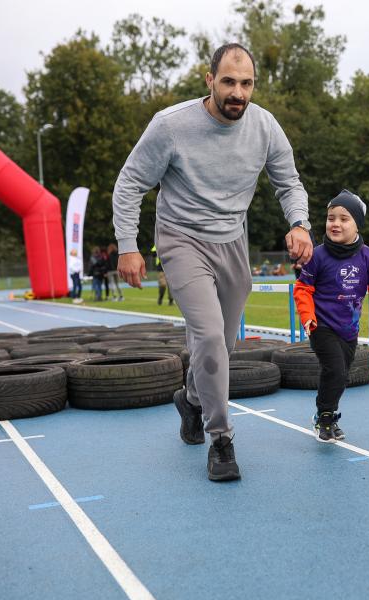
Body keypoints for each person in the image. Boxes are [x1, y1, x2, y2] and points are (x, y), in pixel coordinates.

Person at [113, 42, 312, 482]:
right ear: (209, 80)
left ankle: (191, 399)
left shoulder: (265, 126)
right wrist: (128, 245)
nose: (237, 92)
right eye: (228, 82)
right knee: (207, 337)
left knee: (221, 343)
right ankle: (221, 440)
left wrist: (300, 224)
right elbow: (129, 184)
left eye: (246, 83)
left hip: (232, 241)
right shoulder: (171, 126)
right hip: (181, 239)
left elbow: (289, 182)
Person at [293, 190, 369, 442]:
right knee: (335, 369)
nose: (335, 223)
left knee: (341, 374)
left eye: (343, 218)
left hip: (348, 328)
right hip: (322, 325)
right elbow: (302, 289)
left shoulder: (366, 254)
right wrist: (307, 316)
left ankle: (327, 413)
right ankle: (325, 417)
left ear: (357, 224)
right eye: (330, 218)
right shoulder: (316, 255)